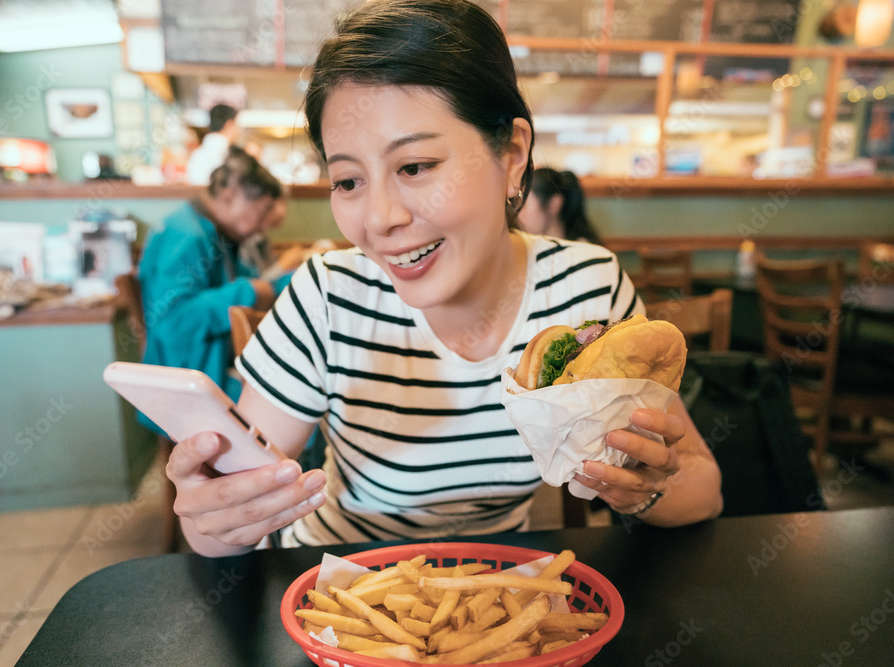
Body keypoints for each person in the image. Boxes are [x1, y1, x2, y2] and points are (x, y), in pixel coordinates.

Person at [167, 0, 723, 556]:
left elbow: (702, 487)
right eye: (348, 181)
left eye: (414, 167)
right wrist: (214, 517)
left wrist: (642, 492)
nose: (381, 218)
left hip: (502, 594)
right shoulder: (329, 297)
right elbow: (223, 518)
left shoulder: (586, 291)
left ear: (511, 155)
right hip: (340, 593)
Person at [137, 147, 290, 410]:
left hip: (207, 364)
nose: (265, 226)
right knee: (293, 404)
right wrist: (248, 292)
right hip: (189, 378)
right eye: (263, 212)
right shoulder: (187, 234)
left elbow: (251, 284)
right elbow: (173, 320)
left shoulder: (214, 232)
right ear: (229, 195)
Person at [518, 167, 603, 245]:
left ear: (554, 204)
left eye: (525, 206)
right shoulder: (527, 248)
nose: (518, 215)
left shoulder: (583, 251)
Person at [186, 104, 241, 186]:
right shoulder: (229, 156)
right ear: (229, 124)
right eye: (237, 125)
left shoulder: (196, 155)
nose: (239, 130)